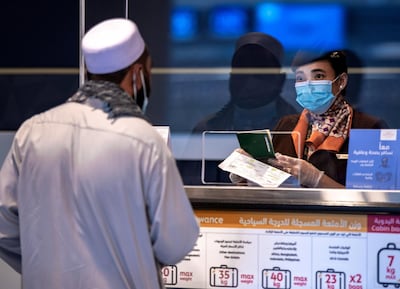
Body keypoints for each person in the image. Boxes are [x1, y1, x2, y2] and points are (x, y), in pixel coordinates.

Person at [0, 18, 199, 289]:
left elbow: (4, 227)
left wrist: (48, 265)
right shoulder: (142, 139)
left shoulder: (32, 131)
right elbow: (175, 243)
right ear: (137, 73)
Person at [231, 49, 388, 188]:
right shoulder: (287, 124)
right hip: (286, 217)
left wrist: (317, 179)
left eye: (318, 76)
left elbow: (376, 196)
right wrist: (248, 174)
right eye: (300, 78)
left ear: (341, 82)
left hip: (340, 219)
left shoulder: (368, 127)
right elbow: (271, 183)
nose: (308, 85)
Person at [192, 32, 297, 132]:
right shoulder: (207, 129)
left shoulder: (299, 129)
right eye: (241, 73)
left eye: (260, 74)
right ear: (231, 77)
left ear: (279, 80)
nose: (249, 84)